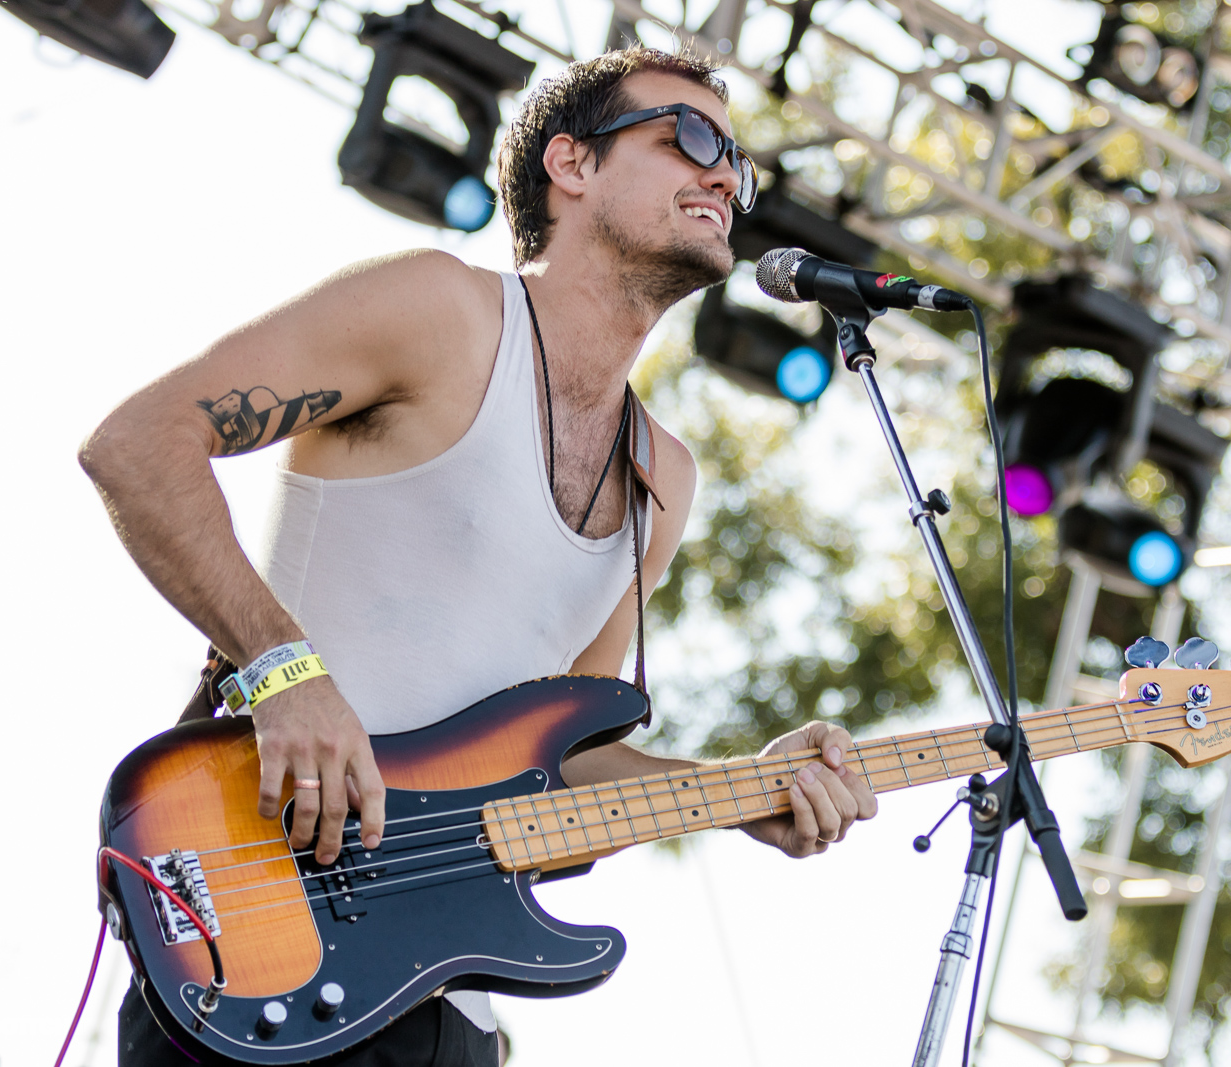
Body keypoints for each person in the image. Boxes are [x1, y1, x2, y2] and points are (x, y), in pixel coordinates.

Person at [81, 46, 878, 1067]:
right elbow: (137, 445)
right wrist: (286, 670)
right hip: (260, 931)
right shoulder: (443, 313)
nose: (725, 175)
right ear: (572, 164)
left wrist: (741, 791)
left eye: (739, 164)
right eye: (689, 137)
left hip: (448, 1008)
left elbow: (565, 762)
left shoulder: (660, 480)